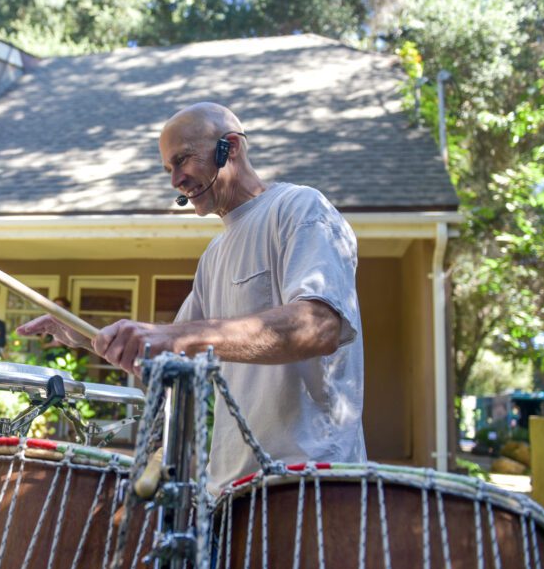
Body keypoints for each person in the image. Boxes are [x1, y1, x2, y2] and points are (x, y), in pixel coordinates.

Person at [18, 102, 365, 492]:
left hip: (312, 482)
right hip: (234, 488)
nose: (175, 181)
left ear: (230, 147)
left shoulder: (300, 209)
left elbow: (319, 326)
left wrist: (174, 337)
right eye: (169, 169)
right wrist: (86, 336)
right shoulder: (214, 257)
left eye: (182, 160)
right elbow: (170, 351)